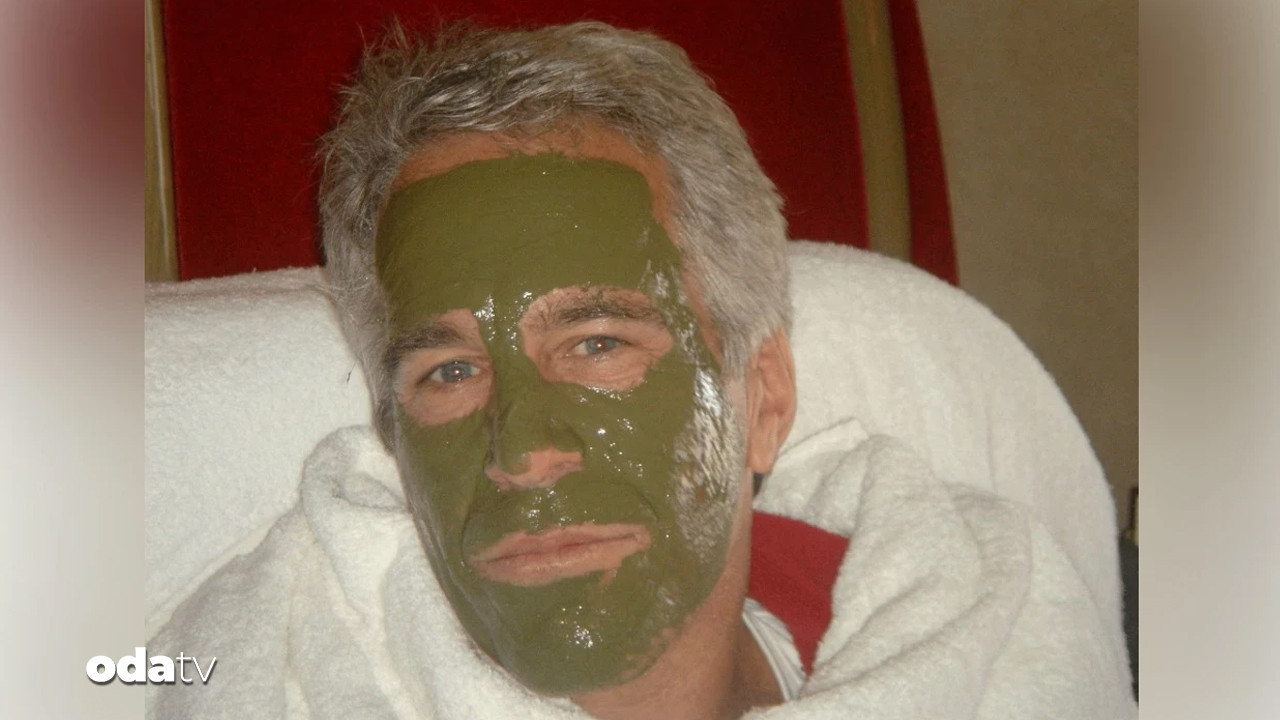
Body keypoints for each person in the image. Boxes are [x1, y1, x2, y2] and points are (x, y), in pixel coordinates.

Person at [148, 21, 1136, 720]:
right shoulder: (261, 680)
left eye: (596, 345)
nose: (521, 452)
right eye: (448, 372)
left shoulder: (988, 637)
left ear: (763, 399)